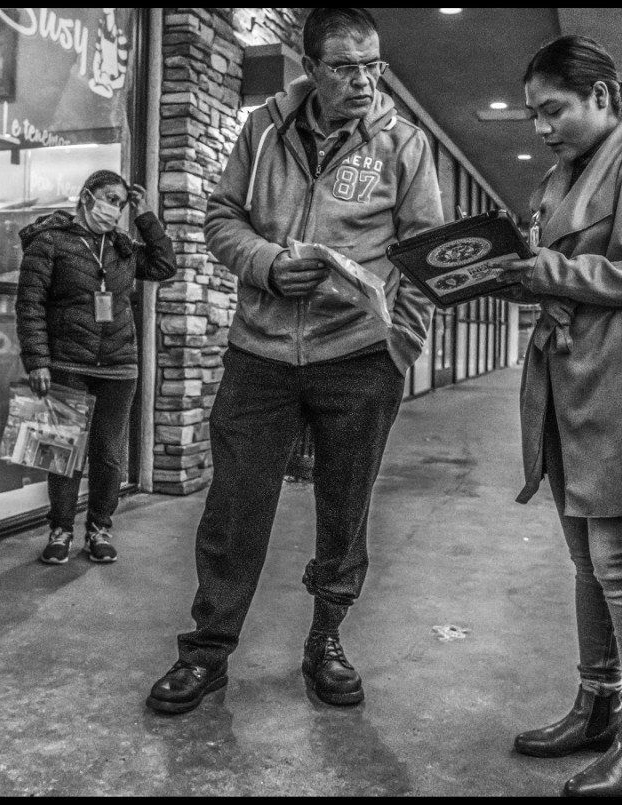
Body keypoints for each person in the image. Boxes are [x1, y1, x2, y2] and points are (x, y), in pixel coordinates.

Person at [146, 7, 442, 714]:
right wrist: (270, 266)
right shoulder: (263, 129)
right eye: (345, 66)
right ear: (310, 67)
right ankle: (208, 650)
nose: (364, 81)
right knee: (235, 505)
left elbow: (426, 257)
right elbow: (221, 219)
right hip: (261, 353)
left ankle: (327, 640)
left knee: (345, 507)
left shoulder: (405, 144)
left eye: (373, 65)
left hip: (360, 356)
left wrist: (400, 346)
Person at [489, 35, 622, 798]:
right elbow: (570, 268)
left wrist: (557, 271)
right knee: (587, 562)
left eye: (555, 110)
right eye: (533, 115)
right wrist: (523, 276)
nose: (542, 127)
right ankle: (597, 702)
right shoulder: (563, 172)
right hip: (565, 375)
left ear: (604, 96)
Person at [15, 170, 176, 564]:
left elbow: (164, 266)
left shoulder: (121, 248)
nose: (113, 208)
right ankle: (60, 530)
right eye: (109, 197)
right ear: (87, 196)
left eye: (120, 202)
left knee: (108, 454)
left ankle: (100, 528)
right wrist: (37, 361)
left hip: (119, 366)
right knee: (60, 451)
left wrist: (146, 216)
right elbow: (30, 305)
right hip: (66, 362)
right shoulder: (49, 241)